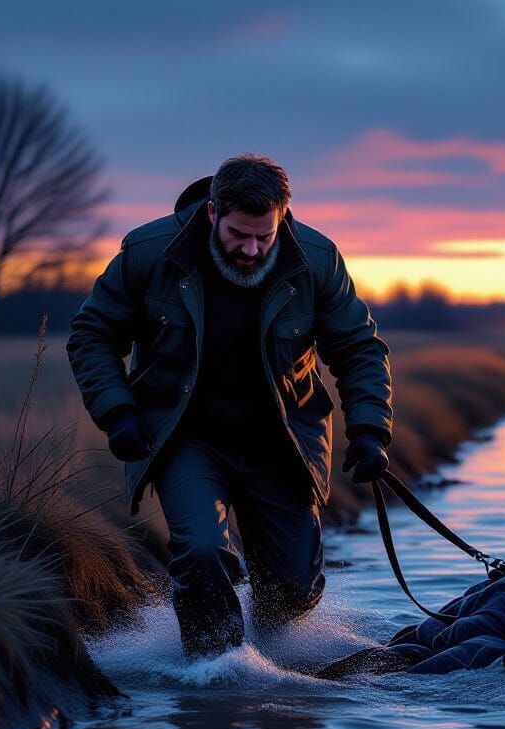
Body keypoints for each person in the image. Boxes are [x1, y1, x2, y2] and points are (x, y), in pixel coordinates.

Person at [67, 154, 393, 658]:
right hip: (185, 438)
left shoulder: (317, 259)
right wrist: (118, 412)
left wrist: (370, 431)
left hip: (281, 441)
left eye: (265, 236)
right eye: (240, 234)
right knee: (199, 551)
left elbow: (359, 349)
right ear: (213, 211)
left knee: (293, 591)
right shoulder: (149, 252)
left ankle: (275, 689)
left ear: (283, 216)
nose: (252, 248)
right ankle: (214, 674)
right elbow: (91, 334)